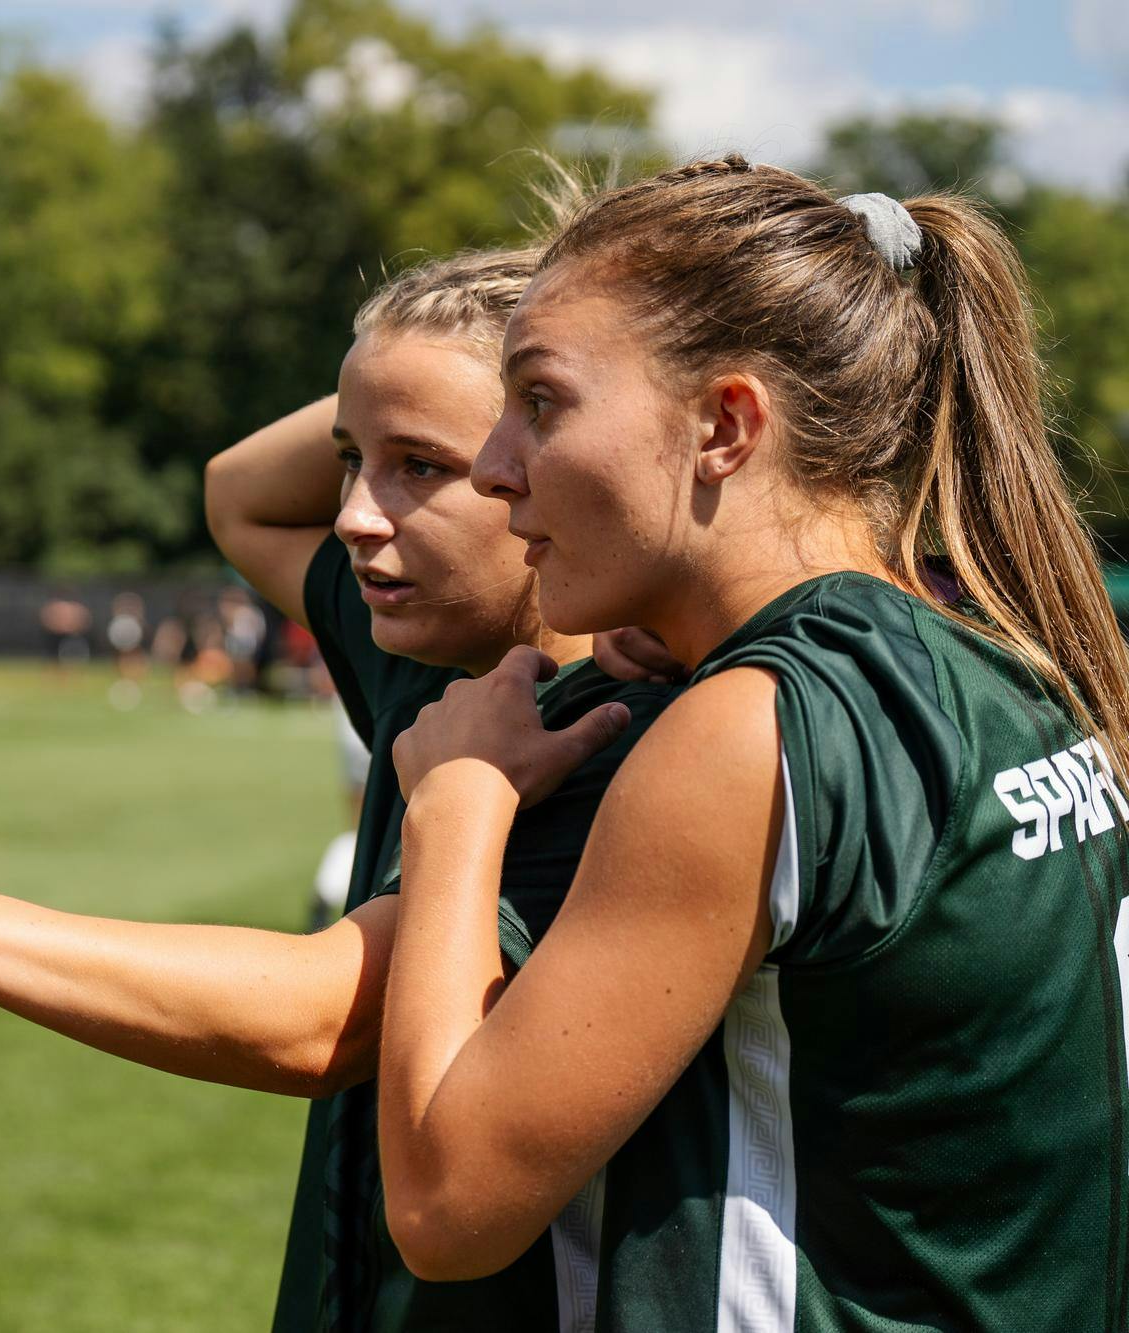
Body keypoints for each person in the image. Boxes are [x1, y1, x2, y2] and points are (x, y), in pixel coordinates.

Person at [0, 248, 680, 1331]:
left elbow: (322, 1019)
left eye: (418, 467)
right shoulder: (430, 656)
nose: (352, 515)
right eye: (348, 458)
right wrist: (436, 343)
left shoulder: (609, 736)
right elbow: (237, 492)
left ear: (541, 466)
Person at [377, 158, 1129, 1330]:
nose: (492, 465)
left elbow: (446, 1207)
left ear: (724, 425)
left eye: (540, 401)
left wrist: (457, 800)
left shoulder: (750, 728)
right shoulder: (1005, 651)